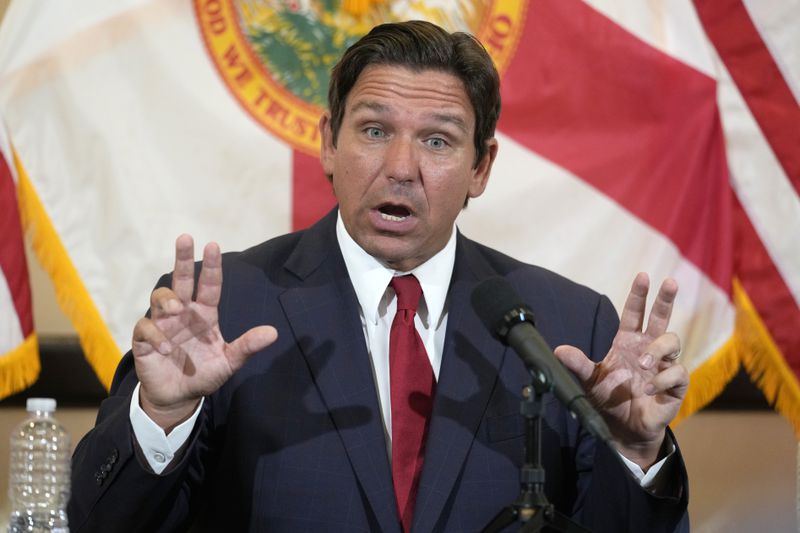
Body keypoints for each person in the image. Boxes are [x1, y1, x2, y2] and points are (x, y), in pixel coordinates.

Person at [68, 20, 689, 532]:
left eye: (438, 142)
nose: (401, 167)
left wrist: (634, 453)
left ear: (481, 167)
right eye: (373, 130)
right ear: (329, 144)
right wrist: (162, 416)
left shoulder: (566, 325)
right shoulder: (224, 309)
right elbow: (102, 523)